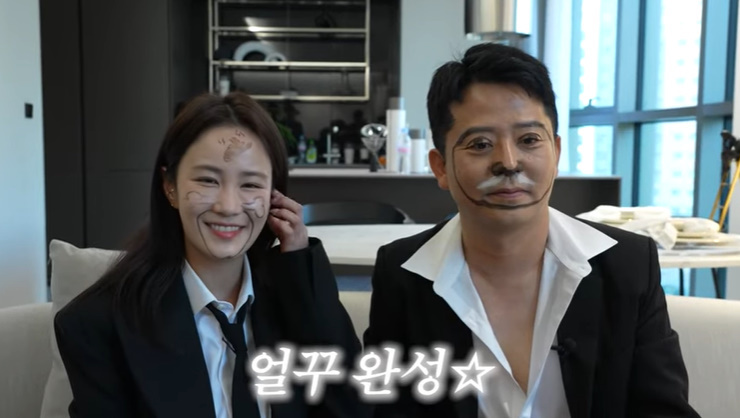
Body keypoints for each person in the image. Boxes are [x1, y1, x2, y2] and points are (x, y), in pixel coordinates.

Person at [363, 43, 699, 417]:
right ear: (440, 167)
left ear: (556, 153)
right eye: (480, 144)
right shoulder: (402, 273)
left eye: (529, 140)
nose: (508, 162)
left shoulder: (628, 265)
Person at [54, 92, 368, 418]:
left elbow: (352, 409)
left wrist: (300, 264)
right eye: (207, 180)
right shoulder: (96, 325)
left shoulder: (293, 299)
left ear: (273, 194)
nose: (228, 207)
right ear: (170, 187)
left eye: (251, 185)